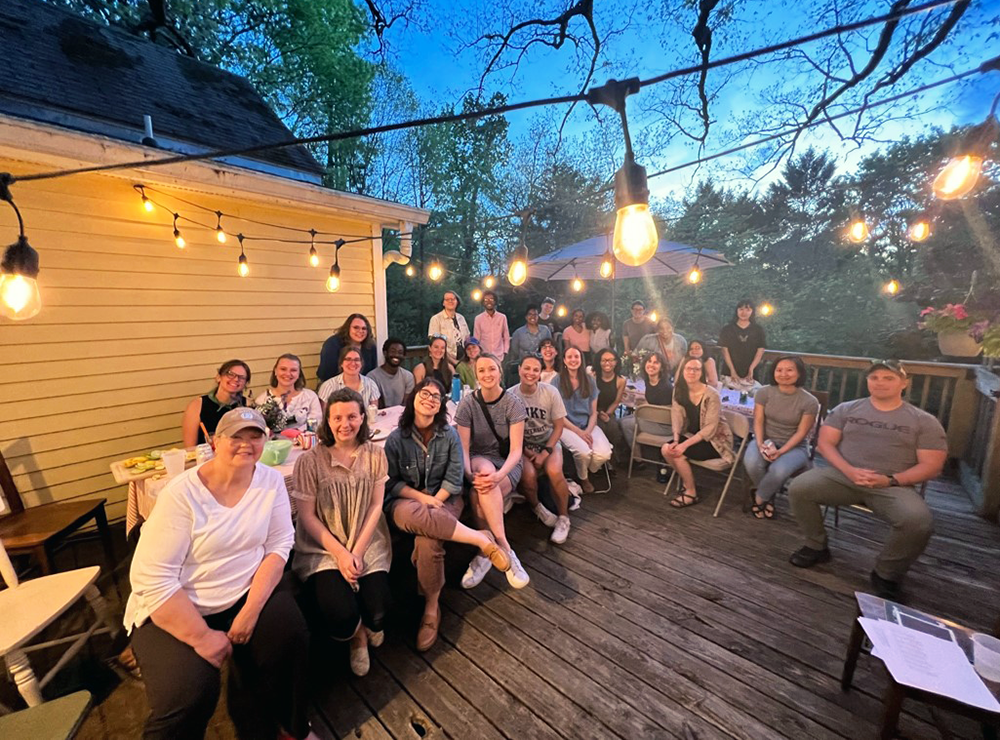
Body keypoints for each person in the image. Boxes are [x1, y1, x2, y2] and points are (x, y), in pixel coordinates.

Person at [126, 407, 315, 740]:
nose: (246, 444)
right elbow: (151, 578)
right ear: (214, 442)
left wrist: (251, 610)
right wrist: (201, 637)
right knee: (188, 690)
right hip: (177, 608)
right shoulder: (181, 494)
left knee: (290, 635)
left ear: (266, 440)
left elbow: (279, 544)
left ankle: (286, 726)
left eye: (254, 436)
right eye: (235, 437)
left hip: (244, 592)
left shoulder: (270, 480)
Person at [788, 360, 947, 598]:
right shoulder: (847, 409)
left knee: (919, 521)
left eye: (889, 378)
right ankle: (816, 545)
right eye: (875, 378)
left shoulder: (923, 420)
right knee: (800, 487)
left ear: (904, 383)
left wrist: (890, 479)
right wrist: (849, 471)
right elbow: (825, 444)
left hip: (894, 485)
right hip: (842, 477)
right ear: (867, 382)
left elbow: (932, 466)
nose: (880, 382)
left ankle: (887, 572)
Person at [384, 379, 511, 651]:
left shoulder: (449, 435)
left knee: (427, 541)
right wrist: (423, 499)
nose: (430, 398)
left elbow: (454, 481)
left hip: (446, 499)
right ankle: (480, 539)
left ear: (441, 404)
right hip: (406, 502)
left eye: (437, 396)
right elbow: (391, 483)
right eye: (425, 393)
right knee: (419, 519)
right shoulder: (396, 439)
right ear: (414, 397)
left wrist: (436, 501)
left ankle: (431, 609)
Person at [292, 388, 392, 677]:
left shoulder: (374, 455)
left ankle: (368, 622)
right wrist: (340, 554)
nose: (344, 424)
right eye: (337, 417)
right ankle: (356, 635)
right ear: (327, 419)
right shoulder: (309, 461)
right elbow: (307, 517)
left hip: (365, 537)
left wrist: (357, 551)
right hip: (324, 545)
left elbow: (376, 506)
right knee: (342, 617)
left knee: (380, 613)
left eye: (351, 416)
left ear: (363, 417)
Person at [454, 353, 530, 590]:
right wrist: (468, 475)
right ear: (476, 376)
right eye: (481, 371)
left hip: (507, 463)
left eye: (491, 369)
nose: (487, 375)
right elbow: (464, 448)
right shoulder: (467, 404)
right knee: (484, 472)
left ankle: (485, 552)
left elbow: (517, 450)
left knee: (479, 495)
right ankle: (506, 550)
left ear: (500, 372)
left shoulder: (513, 403)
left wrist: (500, 475)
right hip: (478, 462)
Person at [745, 356, 819, 520]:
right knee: (752, 464)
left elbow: (801, 433)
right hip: (766, 440)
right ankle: (769, 495)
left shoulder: (809, 401)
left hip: (795, 446)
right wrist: (760, 443)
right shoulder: (764, 392)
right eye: (779, 370)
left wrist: (780, 452)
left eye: (789, 370)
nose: (784, 374)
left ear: (799, 373)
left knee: (778, 470)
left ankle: (759, 498)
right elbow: (758, 420)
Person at [509, 354, 573, 544]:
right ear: (519, 369)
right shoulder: (510, 396)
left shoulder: (550, 392)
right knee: (528, 476)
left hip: (548, 442)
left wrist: (545, 452)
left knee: (554, 470)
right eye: (526, 368)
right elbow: (510, 433)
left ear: (540, 373)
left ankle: (564, 517)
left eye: (536, 369)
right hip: (522, 446)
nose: (530, 373)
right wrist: (529, 454)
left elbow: (559, 426)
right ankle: (538, 507)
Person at [662, 357, 734, 508]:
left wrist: (683, 445)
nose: (692, 372)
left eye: (696, 369)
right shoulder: (679, 390)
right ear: (682, 371)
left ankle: (691, 492)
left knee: (679, 454)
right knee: (666, 449)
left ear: (702, 373)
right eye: (688, 368)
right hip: (692, 437)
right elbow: (676, 416)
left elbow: (710, 428)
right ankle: (687, 481)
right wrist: (676, 440)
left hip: (713, 441)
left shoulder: (711, 394)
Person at [552, 347, 613, 494]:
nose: (573, 360)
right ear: (565, 361)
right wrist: (579, 432)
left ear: (581, 360)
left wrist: (587, 431)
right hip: (566, 426)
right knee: (584, 452)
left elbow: (593, 412)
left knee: (604, 454)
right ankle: (584, 478)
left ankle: (586, 469)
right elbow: (557, 415)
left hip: (587, 424)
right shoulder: (557, 381)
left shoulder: (590, 381)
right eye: (570, 357)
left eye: (576, 357)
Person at [620, 351, 673, 470]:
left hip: (664, 426)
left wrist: (644, 407)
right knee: (623, 420)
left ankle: (638, 459)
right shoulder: (649, 381)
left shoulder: (665, 387)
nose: (651, 365)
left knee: (625, 423)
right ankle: (631, 454)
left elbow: (663, 412)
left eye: (656, 363)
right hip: (653, 420)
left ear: (662, 367)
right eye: (649, 361)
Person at [182, 360, 250, 447]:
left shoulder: (247, 406)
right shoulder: (197, 405)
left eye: (242, 377)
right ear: (218, 377)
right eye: (230, 374)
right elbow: (190, 448)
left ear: (245, 384)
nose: (236, 379)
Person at [254, 354, 322, 432]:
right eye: (283, 369)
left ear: (299, 373)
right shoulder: (262, 399)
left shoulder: (310, 397)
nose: (288, 374)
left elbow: (316, 424)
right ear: (275, 371)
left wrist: (296, 433)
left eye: (293, 370)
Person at [593, 348, 629, 467]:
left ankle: (609, 458)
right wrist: (597, 413)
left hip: (608, 411)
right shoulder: (593, 376)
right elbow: (588, 398)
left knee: (613, 427)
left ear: (616, 362)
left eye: (610, 360)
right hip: (592, 411)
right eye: (604, 360)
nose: (607, 363)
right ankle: (600, 460)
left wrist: (607, 414)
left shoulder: (621, 381)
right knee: (601, 427)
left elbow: (616, 402)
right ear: (599, 362)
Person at [719, 299, 767, 386]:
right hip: (729, 371)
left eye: (747, 309)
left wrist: (751, 369)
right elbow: (724, 351)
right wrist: (732, 371)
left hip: (751, 374)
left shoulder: (758, 330)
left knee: (750, 398)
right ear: (736, 311)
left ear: (752, 311)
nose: (744, 312)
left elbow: (760, 351)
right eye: (741, 309)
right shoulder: (727, 329)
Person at [318, 314, 378, 382]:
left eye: (364, 328)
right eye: (356, 327)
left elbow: (372, 372)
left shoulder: (370, 347)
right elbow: (326, 374)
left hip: (363, 385)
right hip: (334, 385)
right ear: (347, 328)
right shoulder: (332, 344)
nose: (360, 331)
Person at [368, 337, 415, 408]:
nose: (396, 355)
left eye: (400, 352)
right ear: (385, 353)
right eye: (393, 351)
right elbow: (377, 406)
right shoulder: (372, 377)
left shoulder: (408, 376)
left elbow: (406, 404)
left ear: (404, 356)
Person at [427, 290, 471, 365]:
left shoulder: (461, 318)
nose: (450, 301)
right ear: (443, 303)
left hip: (463, 360)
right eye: (447, 299)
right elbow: (435, 344)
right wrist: (454, 362)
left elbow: (468, 339)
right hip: (444, 362)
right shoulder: (436, 319)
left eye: (453, 299)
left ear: (457, 302)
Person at [508, 305, 553, 375]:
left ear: (538, 316)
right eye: (530, 314)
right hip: (525, 367)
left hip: (542, 366)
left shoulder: (545, 330)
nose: (533, 317)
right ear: (526, 317)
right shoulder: (518, 333)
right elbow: (515, 351)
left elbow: (550, 347)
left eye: (535, 314)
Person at [473, 291, 510, 363]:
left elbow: (506, 336)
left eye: (491, 299)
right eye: (486, 300)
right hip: (484, 355)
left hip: (499, 356)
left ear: (495, 301)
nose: (489, 302)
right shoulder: (478, 319)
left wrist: (505, 351)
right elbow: (476, 338)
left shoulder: (502, 317)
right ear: (483, 302)